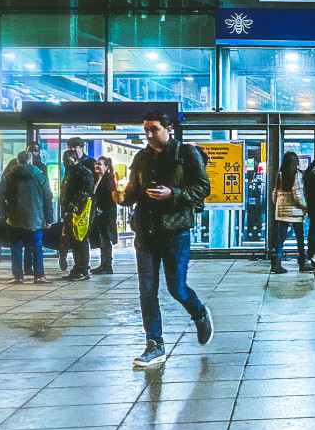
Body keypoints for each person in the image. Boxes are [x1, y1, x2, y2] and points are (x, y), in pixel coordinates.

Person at [114, 110, 213, 370]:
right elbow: (134, 191)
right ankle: (154, 344)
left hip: (175, 231)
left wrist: (173, 193)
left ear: (169, 129)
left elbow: (203, 188)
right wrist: (121, 196)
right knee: (147, 290)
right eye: (145, 129)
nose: (148, 134)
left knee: (176, 287)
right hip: (145, 232)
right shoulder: (141, 157)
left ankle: (199, 313)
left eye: (154, 129)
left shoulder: (186, 154)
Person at [0, 150, 51, 284]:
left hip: (14, 217)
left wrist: (5, 214)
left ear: (17, 161)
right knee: (37, 247)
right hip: (36, 218)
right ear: (30, 161)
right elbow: (48, 197)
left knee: (16, 247)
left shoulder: (9, 177)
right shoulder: (40, 176)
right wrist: (48, 218)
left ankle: (17, 276)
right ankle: (39, 276)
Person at [59, 139, 95, 281]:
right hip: (70, 210)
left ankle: (83, 269)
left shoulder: (83, 172)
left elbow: (86, 191)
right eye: (64, 160)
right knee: (73, 240)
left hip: (81, 210)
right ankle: (77, 267)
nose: (65, 162)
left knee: (80, 239)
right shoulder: (70, 172)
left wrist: (74, 203)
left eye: (68, 160)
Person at [271, 150, 308, 273]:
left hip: (281, 210)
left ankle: (276, 262)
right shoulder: (297, 174)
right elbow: (298, 194)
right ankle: (303, 263)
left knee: (280, 238)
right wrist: (305, 206)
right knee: (300, 238)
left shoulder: (280, 174)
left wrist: (277, 204)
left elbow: (274, 193)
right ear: (295, 162)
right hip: (295, 212)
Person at [89, 156, 119, 274]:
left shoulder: (109, 178)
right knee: (103, 240)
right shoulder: (98, 178)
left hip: (106, 215)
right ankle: (104, 264)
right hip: (99, 214)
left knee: (105, 240)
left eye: (100, 164)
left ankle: (107, 265)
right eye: (96, 163)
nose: (97, 165)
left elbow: (110, 198)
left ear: (106, 166)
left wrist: (101, 209)